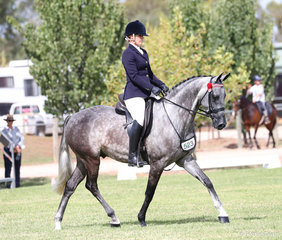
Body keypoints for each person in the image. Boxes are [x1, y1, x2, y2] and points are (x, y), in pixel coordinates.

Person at [122, 20, 169, 167]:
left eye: (142, 36)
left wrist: (161, 84)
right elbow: (134, 76)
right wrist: (151, 89)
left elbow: (150, 75)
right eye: (140, 36)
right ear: (131, 36)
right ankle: (132, 156)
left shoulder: (144, 53)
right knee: (141, 119)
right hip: (134, 94)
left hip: (146, 92)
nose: (142, 38)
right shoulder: (127, 54)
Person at [2, 114, 24, 187]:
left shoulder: (16, 129)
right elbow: (4, 141)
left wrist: (18, 146)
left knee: (17, 168)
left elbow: (22, 138)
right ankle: (7, 185)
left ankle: (17, 184)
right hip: (8, 151)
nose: (10, 122)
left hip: (17, 151)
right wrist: (13, 148)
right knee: (8, 168)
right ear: (7, 122)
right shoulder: (4, 131)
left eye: (11, 121)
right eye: (9, 121)